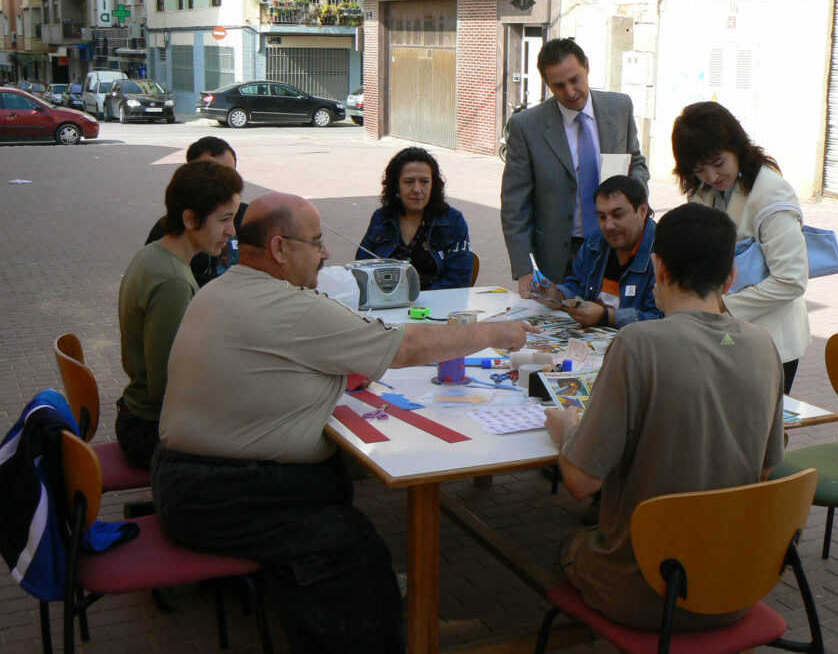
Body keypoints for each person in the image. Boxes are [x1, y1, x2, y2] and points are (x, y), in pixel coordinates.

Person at [152, 192, 533, 653]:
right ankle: (395, 636)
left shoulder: (221, 289)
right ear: (279, 249)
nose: (326, 252)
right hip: (218, 492)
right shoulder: (291, 309)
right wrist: (495, 332)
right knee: (352, 545)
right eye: (315, 242)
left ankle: (392, 624)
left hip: (188, 478)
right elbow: (407, 348)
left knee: (340, 506)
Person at [544, 202, 784, 632]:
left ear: (657, 267)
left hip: (647, 592)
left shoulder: (639, 344)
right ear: (730, 277)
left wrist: (566, 430)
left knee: (563, 545)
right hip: (734, 587)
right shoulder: (763, 345)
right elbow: (766, 468)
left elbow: (581, 483)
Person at [671, 101, 810, 393]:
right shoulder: (707, 191)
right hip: (728, 336)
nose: (711, 176)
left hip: (771, 343)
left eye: (718, 163)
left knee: (758, 432)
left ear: (737, 147)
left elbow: (791, 280)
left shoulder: (771, 194)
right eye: (699, 169)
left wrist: (722, 306)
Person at [117, 160, 242, 469]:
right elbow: (168, 387)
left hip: (141, 416)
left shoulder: (155, 253)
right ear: (190, 219)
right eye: (224, 219)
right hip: (148, 430)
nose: (232, 230)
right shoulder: (172, 280)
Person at [501, 37, 650, 291]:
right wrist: (525, 268)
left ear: (587, 68)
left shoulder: (619, 107)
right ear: (547, 84)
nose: (570, 92)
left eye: (575, 80)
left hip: (616, 245)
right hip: (558, 254)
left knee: (612, 318)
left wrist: (632, 198)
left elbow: (636, 161)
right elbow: (515, 205)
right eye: (559, 86)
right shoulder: (527, 126)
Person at [530, 175, 662, 329]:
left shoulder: (664, 251)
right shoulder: (595, 241)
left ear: (642, 210)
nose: (609, 225)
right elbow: (577, 284)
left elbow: (660, 320)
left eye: (617, 215)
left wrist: (606, 315)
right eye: (602, 217)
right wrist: (556, 295)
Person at [357, 147, 472, 290]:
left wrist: (416, 304)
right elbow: (361, 268)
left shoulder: (452, 221)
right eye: (409, 181)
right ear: (396, 186)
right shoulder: (382, 218)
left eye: (424, 181)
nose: (417, 189)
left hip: (437, 307)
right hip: (387, 305)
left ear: (433, 184)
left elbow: (458, 281)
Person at [145, 136, 248, 287]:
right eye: (212, 175)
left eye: (229, 173)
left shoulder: (251, 217)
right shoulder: (168, 234)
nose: (224, 183)